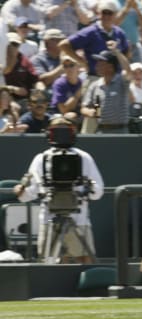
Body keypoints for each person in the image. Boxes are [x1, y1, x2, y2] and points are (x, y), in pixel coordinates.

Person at [13, 115, 104, 263]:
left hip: (78, 219)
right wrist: (21, 192)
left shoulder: (83, 158)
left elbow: (97, 192)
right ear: (50, 133)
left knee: (85, 260)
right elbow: (31, 192)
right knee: (48, 262)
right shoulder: (41, 159)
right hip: (49, 218)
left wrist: (85, 190)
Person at [58, 0, 129, 78]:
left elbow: (127, 52)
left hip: (116, 78)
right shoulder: (90, 32)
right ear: (98, 14)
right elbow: (64, 45)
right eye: (104, 13)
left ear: (115, 14)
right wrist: (82, 62)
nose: (106, 16)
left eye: (110, 13)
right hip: (95, 77)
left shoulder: (119, 33)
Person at [80, 42, 133, 134]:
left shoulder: (121, 81)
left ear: (111, 66)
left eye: (101, 63)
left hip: (121, 131)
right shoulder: (95, 85)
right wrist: (89, 112)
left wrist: (116, 52)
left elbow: (128, 70)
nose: (97, 66)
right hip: (101, 131)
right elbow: (84, 107)